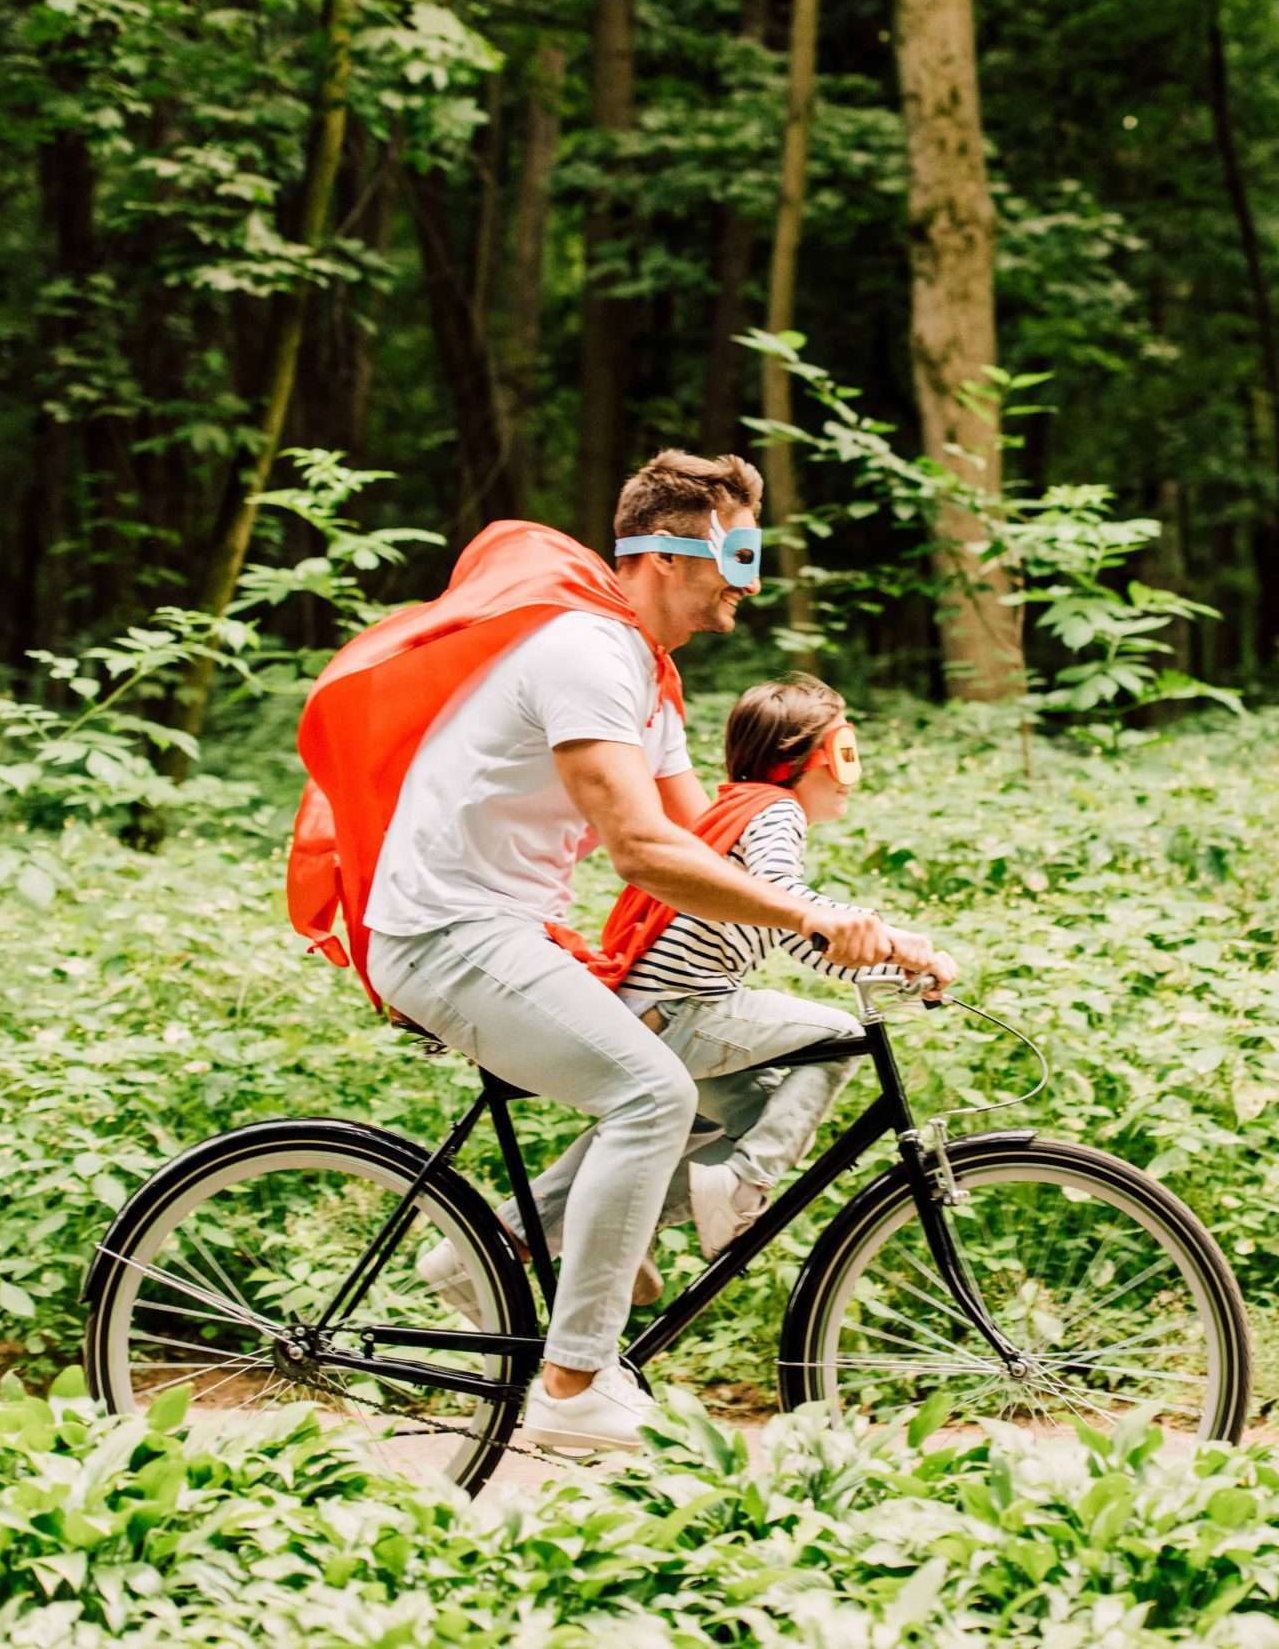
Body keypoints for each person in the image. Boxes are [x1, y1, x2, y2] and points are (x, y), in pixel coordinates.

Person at [346, 451, 934, 1454]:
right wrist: (814, 924)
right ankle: (573, 1380)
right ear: (671, 553)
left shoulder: (647, 680)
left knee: (705, 1074)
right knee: (652, 1092)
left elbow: (707, 852)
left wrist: (861, 935)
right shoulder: (586, 649)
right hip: (446, 930)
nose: (748, 580)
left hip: (502, 930)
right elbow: (642, 850)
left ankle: (535, 1249)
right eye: (736, 552)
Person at [422, 675, 955, 1318]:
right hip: (683, 1008)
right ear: (796, 759)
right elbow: (792, 902)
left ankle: (485, 1253)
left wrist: (892, 969)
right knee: (839, 1042)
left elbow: (797, 937)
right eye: (843, 752)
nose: (851, 773)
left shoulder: (737, 810)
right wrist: (897, 941)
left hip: (654, 1011)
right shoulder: (775, 812)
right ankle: (744, 1187)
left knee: (725, 1117)